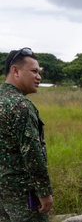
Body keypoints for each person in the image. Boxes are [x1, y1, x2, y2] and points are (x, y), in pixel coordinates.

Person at [0, 47, 53, 221]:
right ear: (15, 71)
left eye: (39, 72)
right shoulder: (21, 106)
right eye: (34, 71)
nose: (39, 77)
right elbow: (32, 153)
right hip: (23, 195)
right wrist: (44, 192)